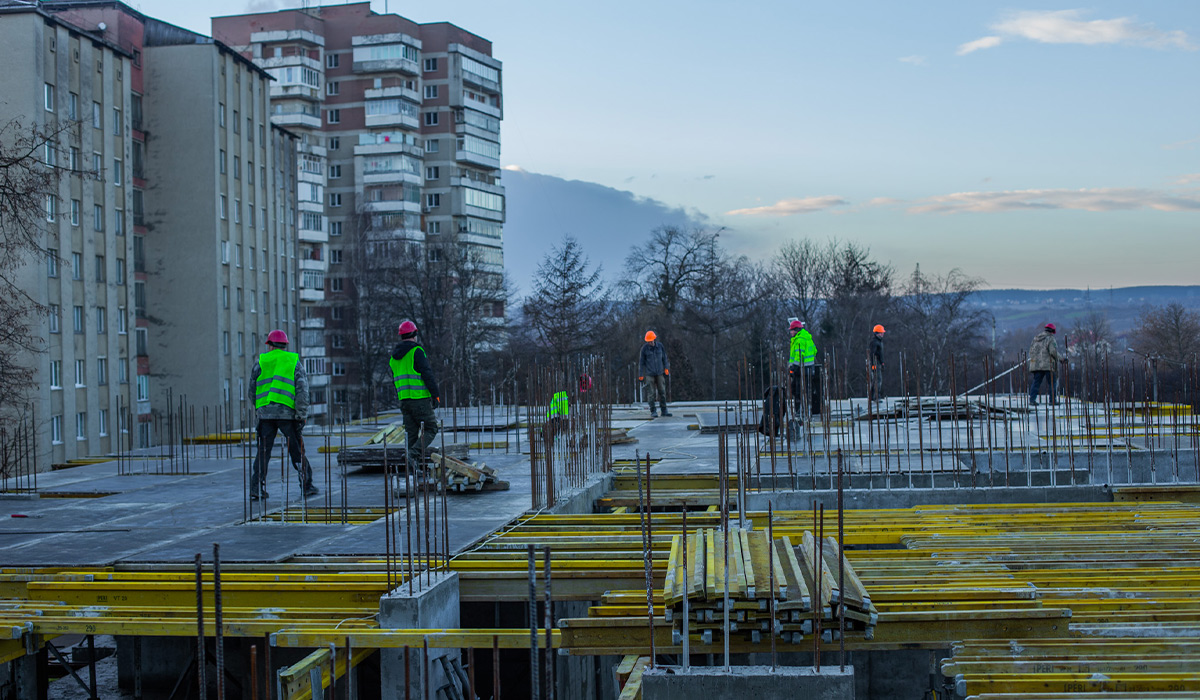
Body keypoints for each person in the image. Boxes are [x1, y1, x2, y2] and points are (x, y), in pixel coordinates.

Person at [248, 330, 316, 500]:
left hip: (265, 415)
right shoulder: (293, 361)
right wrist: (301, 414)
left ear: (270, 345)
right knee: (296, 450)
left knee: (263, 451)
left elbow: (252, 390)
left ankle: (256, 487)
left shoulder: (261, 361)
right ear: (285, 345)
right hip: (288, 415)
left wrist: (260, 408)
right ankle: (306, 485)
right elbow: (302, 391)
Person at [390, 320, 441, 465]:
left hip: (404, 401)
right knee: (431, 428)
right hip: (419, 399)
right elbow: (427, 374)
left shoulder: (394, 357)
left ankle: (411, 467)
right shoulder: (416, 351)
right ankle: (412, 455)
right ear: (414, 334)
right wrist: (435, 394)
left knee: (411, 434)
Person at [638, 331, 671, 417]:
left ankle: (664, 410)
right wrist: (641, 374)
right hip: (649, 374)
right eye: (648, 341)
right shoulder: (644, 349)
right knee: (651, 393)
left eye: (651, 341)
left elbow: (664, 358)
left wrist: (666, 368)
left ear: (654, 339)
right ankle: (653, 411)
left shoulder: (660, 346)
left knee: (662, 391)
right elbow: (641, 363)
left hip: (660, 373)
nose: (650, 342)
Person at [788, 320, 816, 416]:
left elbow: (798, 356)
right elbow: (815, 351)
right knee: (806, 391)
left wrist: (793, 369)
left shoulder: (799, 340)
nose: (790, 332)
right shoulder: (808, 338)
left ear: (796, 330)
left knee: (798, 391)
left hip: (800, 370)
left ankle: (799, 412)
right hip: (809, 369)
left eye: (791, 330)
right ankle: (805, 410)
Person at [1028, 323, 1061, 406]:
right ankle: (1052, 401)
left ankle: (1032, 400)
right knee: (1052, 383)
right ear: (1053, 331)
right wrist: (1062, 359)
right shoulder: (1050, 339)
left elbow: (1031, 351)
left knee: (1036, 383)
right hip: (1048, 365)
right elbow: (1053, 351)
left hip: (1037, 365)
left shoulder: (1036, 338)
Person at [869, 324, 886, 403]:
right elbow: (872, 354)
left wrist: (882, 363)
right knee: (877, 380)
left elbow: (880, 354)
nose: (882, 334)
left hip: (878, 363)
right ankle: (876, 396)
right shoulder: (875, 342)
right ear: (877, 333)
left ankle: (874, 396)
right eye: (881, 333)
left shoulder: (878, 342)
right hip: (875, 364)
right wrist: (873, 365)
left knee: (877, 379)